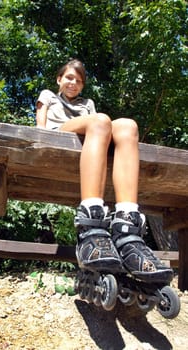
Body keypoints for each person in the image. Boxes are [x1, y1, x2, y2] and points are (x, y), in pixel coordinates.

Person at [36, 59, 173, 283]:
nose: (73, 83)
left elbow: (102, 130)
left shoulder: (86, 103)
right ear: (59, 79)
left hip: (90, 135)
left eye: (79, 81)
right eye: (69, 78)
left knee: (128, 125)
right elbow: (40, 127)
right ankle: (91, 220)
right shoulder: (48, 96)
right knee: (101, 120)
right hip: (58, 133)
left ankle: (126, 225)